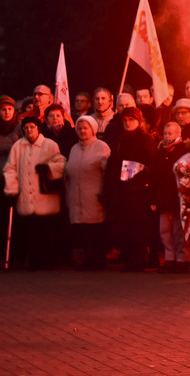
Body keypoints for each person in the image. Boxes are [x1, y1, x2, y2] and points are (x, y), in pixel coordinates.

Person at [3, 116, 66, 270]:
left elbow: (61, 163)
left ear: (38, 128)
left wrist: (48, 168)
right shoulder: (18, 146)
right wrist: (11, 189)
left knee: (46, 231)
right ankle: (33, 261)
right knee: (31, 231)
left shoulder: (49, 145)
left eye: (32, 127)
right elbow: (10, 168)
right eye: (26, 128)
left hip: (45, 196)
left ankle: (48, 261)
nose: (29, 130)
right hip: (26, 195)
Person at [103, 107, 157, 272]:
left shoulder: (146, 139)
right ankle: (129, 257)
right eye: (125, 120)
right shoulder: (120, 139)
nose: (127, 123)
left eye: (131, 120)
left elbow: (151, 163)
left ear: (138, 122)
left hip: (138, 191)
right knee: (126, 226)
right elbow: (113, 164)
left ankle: (139, 259)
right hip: (122, 191)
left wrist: (132, 175)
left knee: (138, 227)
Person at [65, 116, 110, 269]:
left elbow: (107, 172)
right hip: (76, 196)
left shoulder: (101, 146)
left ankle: (97, 259)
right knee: (82, 229)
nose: (82, 131)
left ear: (93, 129)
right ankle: (86, 258)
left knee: (95, 229)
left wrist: (104, 193)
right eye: (80, 128)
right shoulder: (74, 149)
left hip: (94, 195)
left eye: (86, 128)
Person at [153, 122, 190, 273]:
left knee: (179, 231)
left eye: (171, 133)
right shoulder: (160, 152)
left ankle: (182, 259)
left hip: (179, 198)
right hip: (164, 198)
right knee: (165, 231)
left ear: (178, 135)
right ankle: (169, 258)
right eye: (166, 133)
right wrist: (153, 199)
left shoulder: (183, 152)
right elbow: (154, 177)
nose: (167, 136)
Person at [0, 95, 21, 263]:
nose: (6, 112)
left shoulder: (20, 127)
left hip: (14, 176)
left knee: (13, 218)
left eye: (9, 109)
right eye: (3, 109)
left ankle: (14, 255)